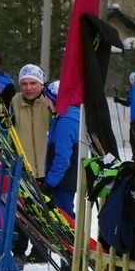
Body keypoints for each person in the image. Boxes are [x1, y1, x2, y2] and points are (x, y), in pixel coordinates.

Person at [11, 64, 53, 263]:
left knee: (43, 213)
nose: (28, 88)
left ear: (41, 84)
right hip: (24, 168)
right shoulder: (14, 102)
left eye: (33, 83)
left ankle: (40, 251)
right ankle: (18, 250)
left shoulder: (48, 102)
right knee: (21, 213)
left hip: (45, 168)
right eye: (24, 84)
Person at [43, 81, 80, 217]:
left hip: (62, 182)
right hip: (63, 180)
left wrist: (51, 183)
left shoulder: (66, 121)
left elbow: (63, 158)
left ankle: (70, 239)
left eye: (47, 99)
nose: (45, 103)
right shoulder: (63, 117)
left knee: (63, 216)